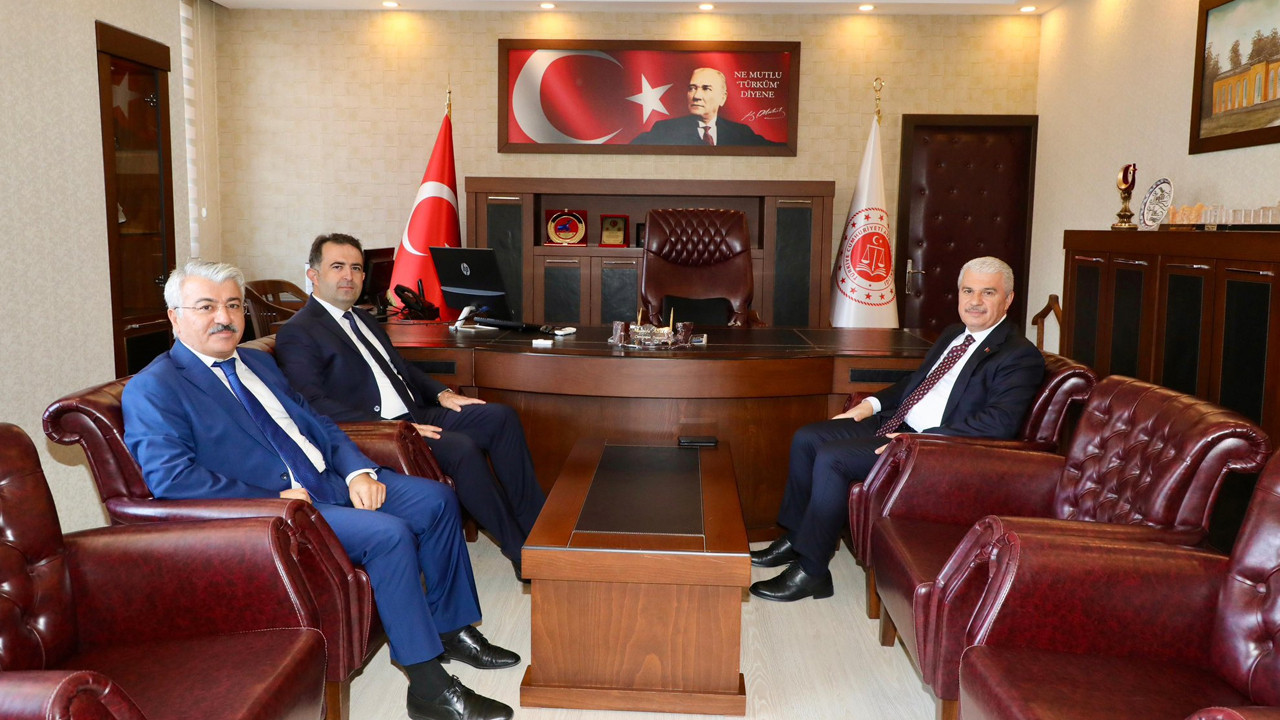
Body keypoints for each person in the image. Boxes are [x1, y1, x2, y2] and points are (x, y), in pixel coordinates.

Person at [122, 260, 516, 720]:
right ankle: (428, 688)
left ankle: (450, 630)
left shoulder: (256, 363)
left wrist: (357, 472)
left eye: (233, 305)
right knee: (388, 535)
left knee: (437, 500)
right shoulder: (154, 388)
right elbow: (172, 480)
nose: (224, 318)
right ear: (175, 316)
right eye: (206, 307)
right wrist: (268, 501)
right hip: (280, 509)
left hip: (328, 480)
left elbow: (320, 425)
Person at [749, 256, 1045, 603]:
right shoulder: (954, 334)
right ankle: (798, 538)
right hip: (897, 422)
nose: (975, 301)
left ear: (1008, 299)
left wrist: (918, 439)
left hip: (930, 447)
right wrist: (871, 404)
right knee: (808, 438)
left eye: (988, 292)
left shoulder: (1019, 356)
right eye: (968, 291)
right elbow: (916, 382)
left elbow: (999, 423)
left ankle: (813, 571)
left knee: (833, 458)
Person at [275, 233, 545, 580]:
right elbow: (311, 403)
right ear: (313, 275)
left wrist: (441, 393)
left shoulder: (362, 318)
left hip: (416, 412)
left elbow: (400, 366)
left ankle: (536, 529)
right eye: (337, 267)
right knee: (461, 448)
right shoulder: (299, 331)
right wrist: (394, 428)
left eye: (356, 268)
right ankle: (519, 550)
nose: (348, 276)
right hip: (379, 431)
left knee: (500, 417)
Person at [631, 67, 778, 147]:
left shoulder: (741, 133)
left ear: (722, 98)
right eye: (692, 88)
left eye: (706, 88)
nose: (696, 96)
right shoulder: (664, 130)